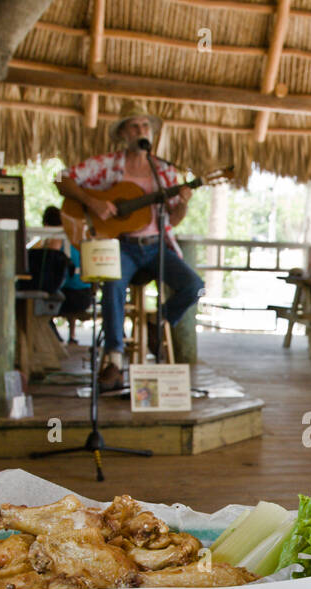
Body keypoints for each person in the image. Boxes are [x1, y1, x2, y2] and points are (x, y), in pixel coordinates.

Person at [55, 112, 204, 391]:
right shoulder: (107, 164)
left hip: (155, 247)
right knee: (112, 287)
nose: (141, 130)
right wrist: (94, 203)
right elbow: (62, 179)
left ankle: (157, 322)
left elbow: (172, 219)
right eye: (134, 126)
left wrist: (182, 202)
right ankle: (114, 360)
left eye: (145, 125)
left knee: (194, 285)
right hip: (119, 246)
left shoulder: (165, 172)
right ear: (123, 133)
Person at [39, 206, 94, 344]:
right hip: (86, 295)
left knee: (39, 299)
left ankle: (52, 338)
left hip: (67, 298)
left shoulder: (55, 241)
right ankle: (72, 335)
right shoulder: (77, 238)